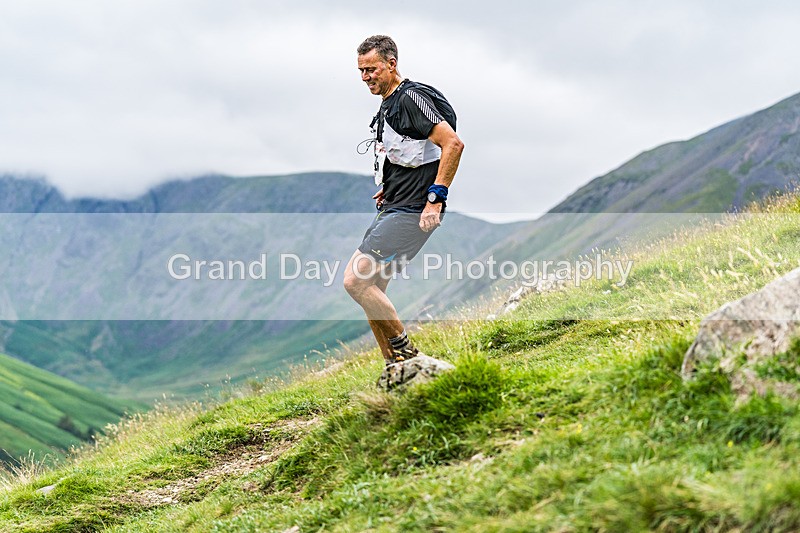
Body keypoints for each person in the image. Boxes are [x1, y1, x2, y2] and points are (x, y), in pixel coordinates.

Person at [343, 35, 464, 366]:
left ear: (391, 64)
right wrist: (390, 183)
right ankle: (395, 367)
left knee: (355, 281)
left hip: (412, 210)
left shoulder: (410, 98)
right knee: (373, 291)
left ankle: (409, 357)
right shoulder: (388, 103)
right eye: (361, 71)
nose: (366, 77)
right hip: (395, 205)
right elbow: (412, 153)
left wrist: (435, 199)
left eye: (372, 69)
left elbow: (452, 144)